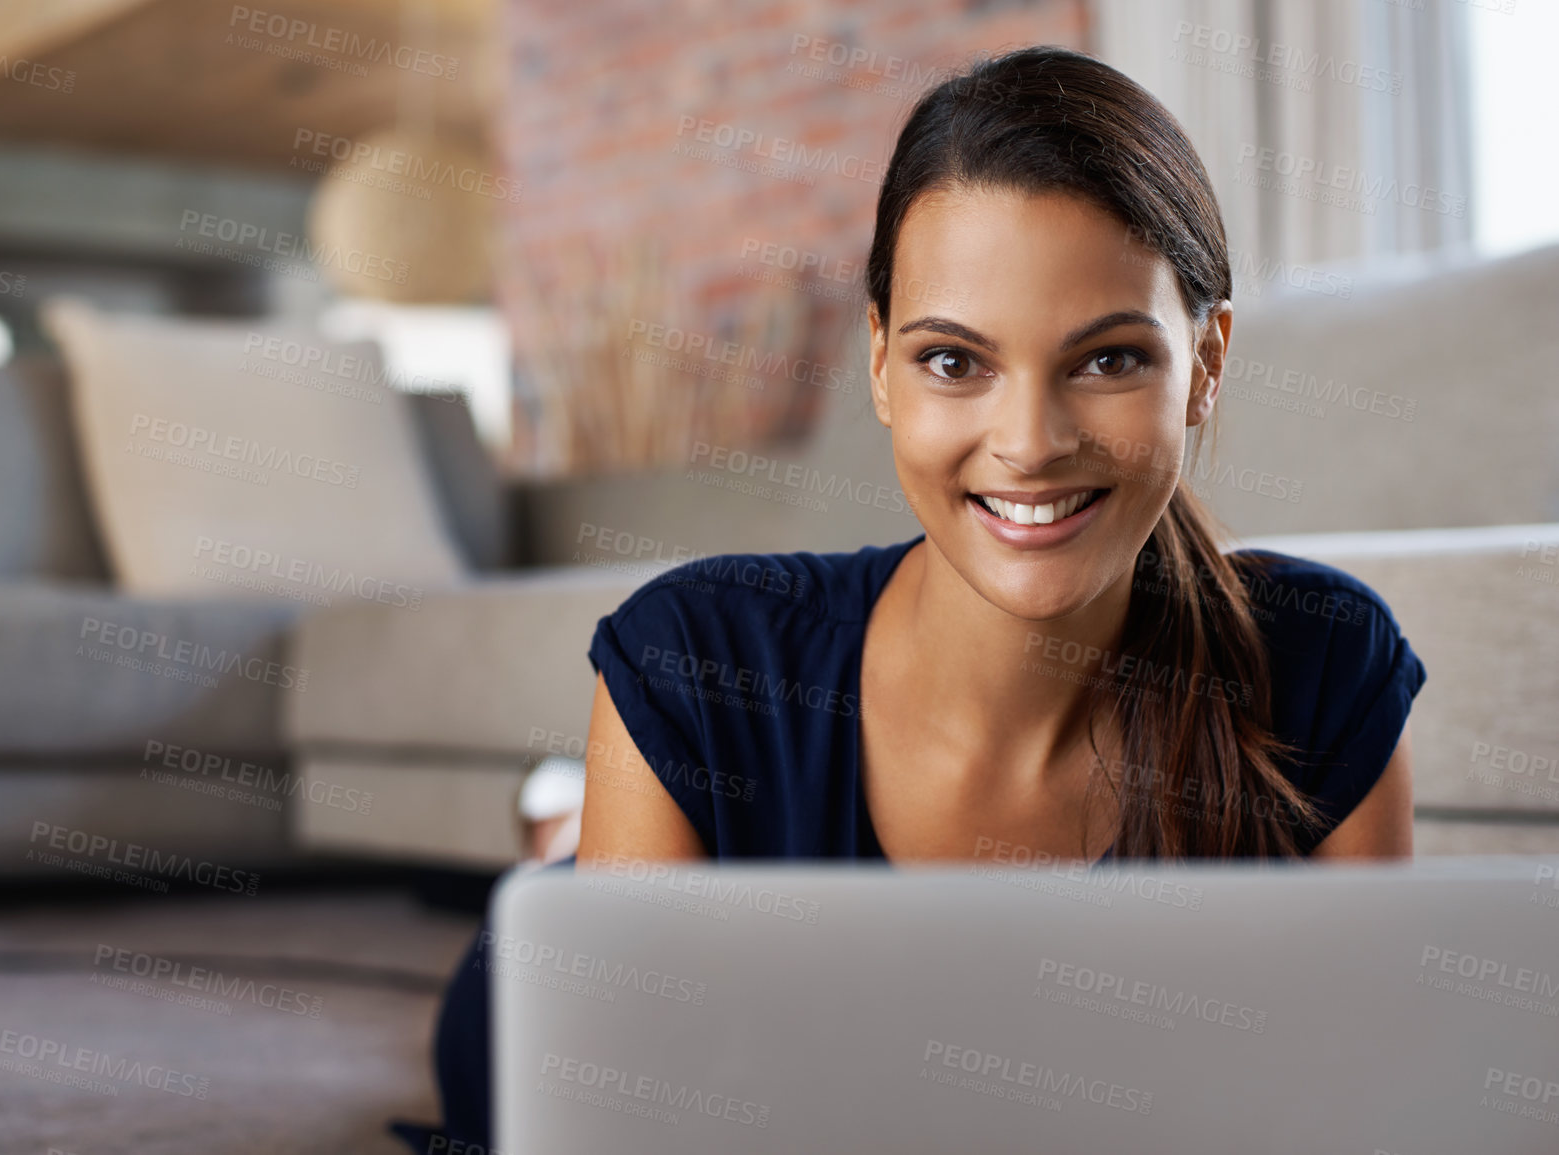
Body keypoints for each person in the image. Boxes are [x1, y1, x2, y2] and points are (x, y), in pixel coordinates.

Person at [392, 43, 1426, 1154]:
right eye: (952, 362)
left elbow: (1357, 1100)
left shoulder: (1325, 664)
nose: (1029, 445)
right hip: (529, 1004)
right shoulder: (692, 659)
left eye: (1109, 360)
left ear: (1207, 363)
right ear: (880, 362)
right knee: (554, 927)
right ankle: (563, 841)